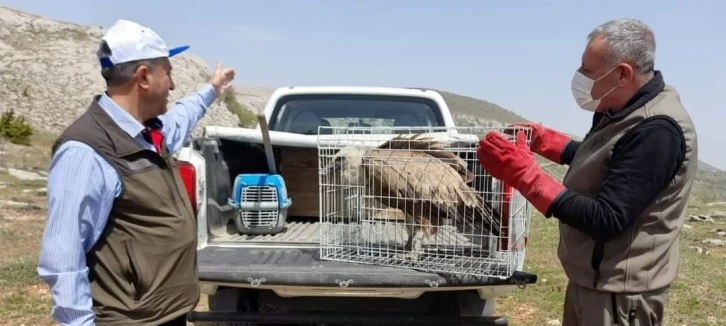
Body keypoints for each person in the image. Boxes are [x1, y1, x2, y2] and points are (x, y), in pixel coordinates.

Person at [476, 18, 697, 325]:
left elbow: (607, 219)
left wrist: (527, 177)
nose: (580, 77)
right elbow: (609, 159)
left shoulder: (657, 131)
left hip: (619, 295)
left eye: (588, 71)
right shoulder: (620, 108)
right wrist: (548, 142)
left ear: (622, 73)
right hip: (593, 281)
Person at [37, 19, 235, 325]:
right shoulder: (86, 151)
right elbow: (63, 258)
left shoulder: (148, 132)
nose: (171, 85)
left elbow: (183, 114)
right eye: (167, 73)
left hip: (164, 315)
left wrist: (212, 89)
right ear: (144, 77)